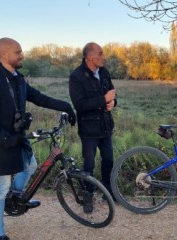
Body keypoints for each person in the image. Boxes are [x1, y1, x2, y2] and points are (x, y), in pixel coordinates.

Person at [0, 37, 76, 240]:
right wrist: (5, 138)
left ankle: (16, 198)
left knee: (30, 166)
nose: (22, 55)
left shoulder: (18, 78)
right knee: (0, 188)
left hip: (17, 137)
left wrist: (65, 105)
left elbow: (38, 97)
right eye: (18, 52)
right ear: (4, 54)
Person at [69, 42, 117, 212]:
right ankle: (87, 197)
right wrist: (104, 100)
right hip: (89, 130)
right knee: (88, 165)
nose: (104, 57)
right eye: (101, 53)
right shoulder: (77, 76)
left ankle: (108, 192)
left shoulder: (104, 72)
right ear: (90, 57)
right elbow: (80, 105)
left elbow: (111, 94)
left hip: (105, 126)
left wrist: (112, 103)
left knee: (109, 161)